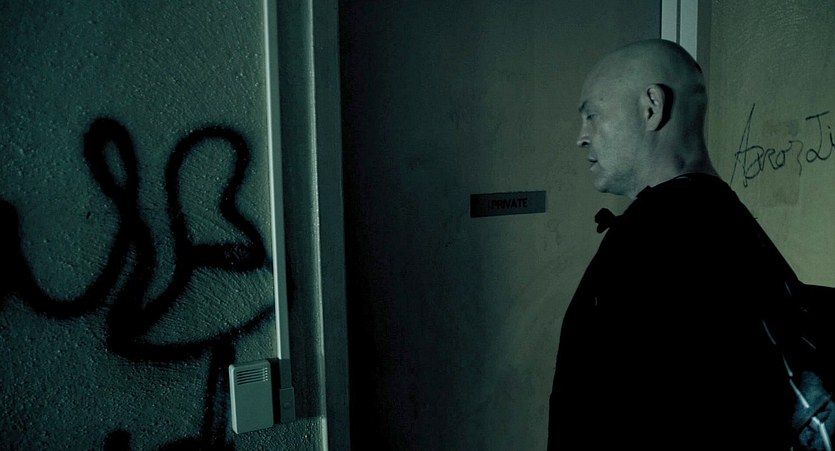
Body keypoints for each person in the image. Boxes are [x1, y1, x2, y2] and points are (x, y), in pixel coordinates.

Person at [547, 39, 796, 449]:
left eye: (592, 115)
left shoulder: (651, 239)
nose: (582, 137)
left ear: (652, 107)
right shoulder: (725, 219)